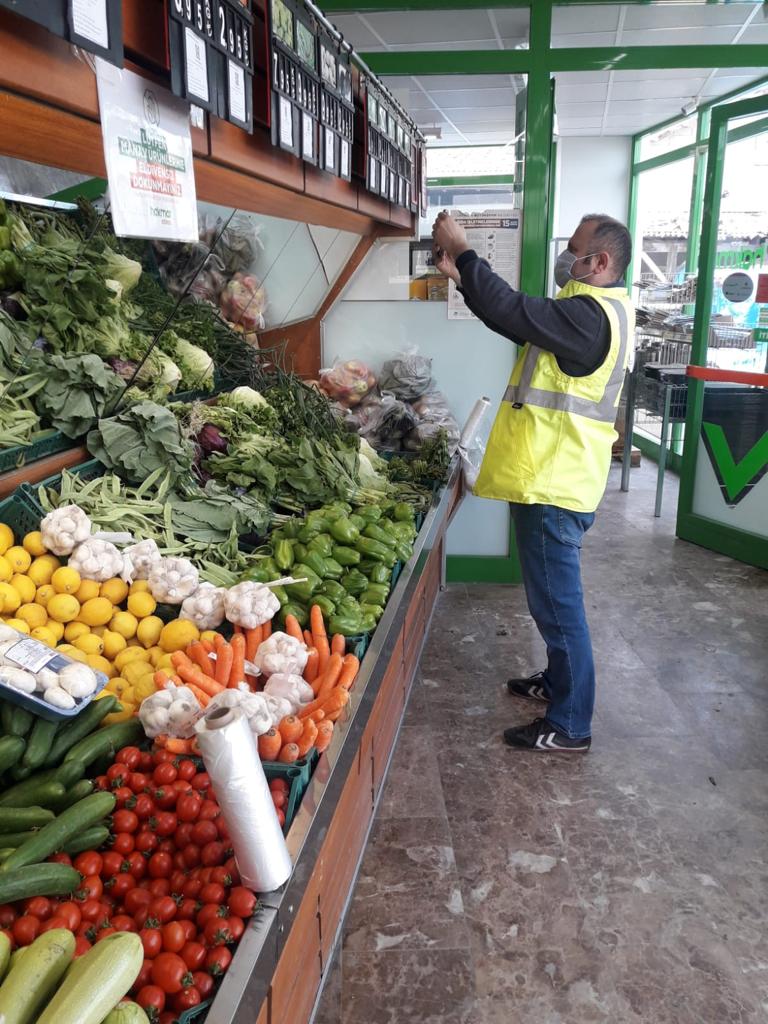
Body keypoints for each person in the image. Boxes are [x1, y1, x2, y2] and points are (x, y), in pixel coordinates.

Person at [432, 212, 635, 753]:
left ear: (601, 262)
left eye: (575, 249)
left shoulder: (590, 316)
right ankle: (558, 683)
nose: (566, 258)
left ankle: (570, 725)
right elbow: (515, 321)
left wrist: (465, 252)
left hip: (555, 482)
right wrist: (463, 279)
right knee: (551, 602)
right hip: (552, 476)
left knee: (559, 607)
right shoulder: (589, 311)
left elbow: (516, 310)